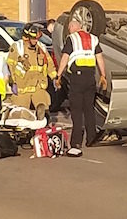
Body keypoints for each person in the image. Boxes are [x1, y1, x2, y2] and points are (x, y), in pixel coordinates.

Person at [59, 18, 108, 155]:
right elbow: (99, 57)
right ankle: (91, 138)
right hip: (90, 78)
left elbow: (65, 58)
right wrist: (103, 75)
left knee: (76, 110)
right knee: (89, 109)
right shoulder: (93, 39)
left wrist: (58, 75)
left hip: (77, 78)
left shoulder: (72, 39)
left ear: (73, 27)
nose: (69, 31)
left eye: (69, 28)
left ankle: (76, 142)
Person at [9, 25, 56, 119]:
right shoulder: (17, 48)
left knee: (43, 108)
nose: (36, 41)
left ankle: (42, 122)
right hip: (23, 88)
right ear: (27, 38)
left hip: (38, 87)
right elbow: (11, 66)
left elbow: (49, 63)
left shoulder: (41, 48)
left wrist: (54, 77)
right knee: (20, 114)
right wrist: (13, 82)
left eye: (37, 39)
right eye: (34, 39)